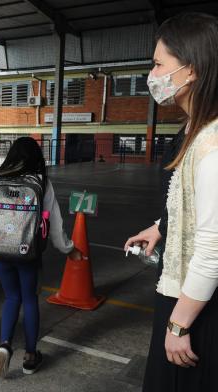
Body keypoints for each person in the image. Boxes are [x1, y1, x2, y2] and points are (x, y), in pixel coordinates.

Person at [124, 12, 218, 391]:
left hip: (197, 307)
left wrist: (179, 324)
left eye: (159, 64)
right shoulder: (194, 129)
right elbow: (194, 201)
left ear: (191, 71)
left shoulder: (212, 144)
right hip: (186, 295)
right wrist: (162, 227)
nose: (153, 74)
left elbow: (213, 249)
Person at [0, 137, 82, 378]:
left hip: (0, 251)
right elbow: (55, 225)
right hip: (28, 253)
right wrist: (68, 249)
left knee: (11, 298)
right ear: (38, 157)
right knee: (30, 300)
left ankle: (4, 344)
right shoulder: (42, 183)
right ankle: (30, 357)